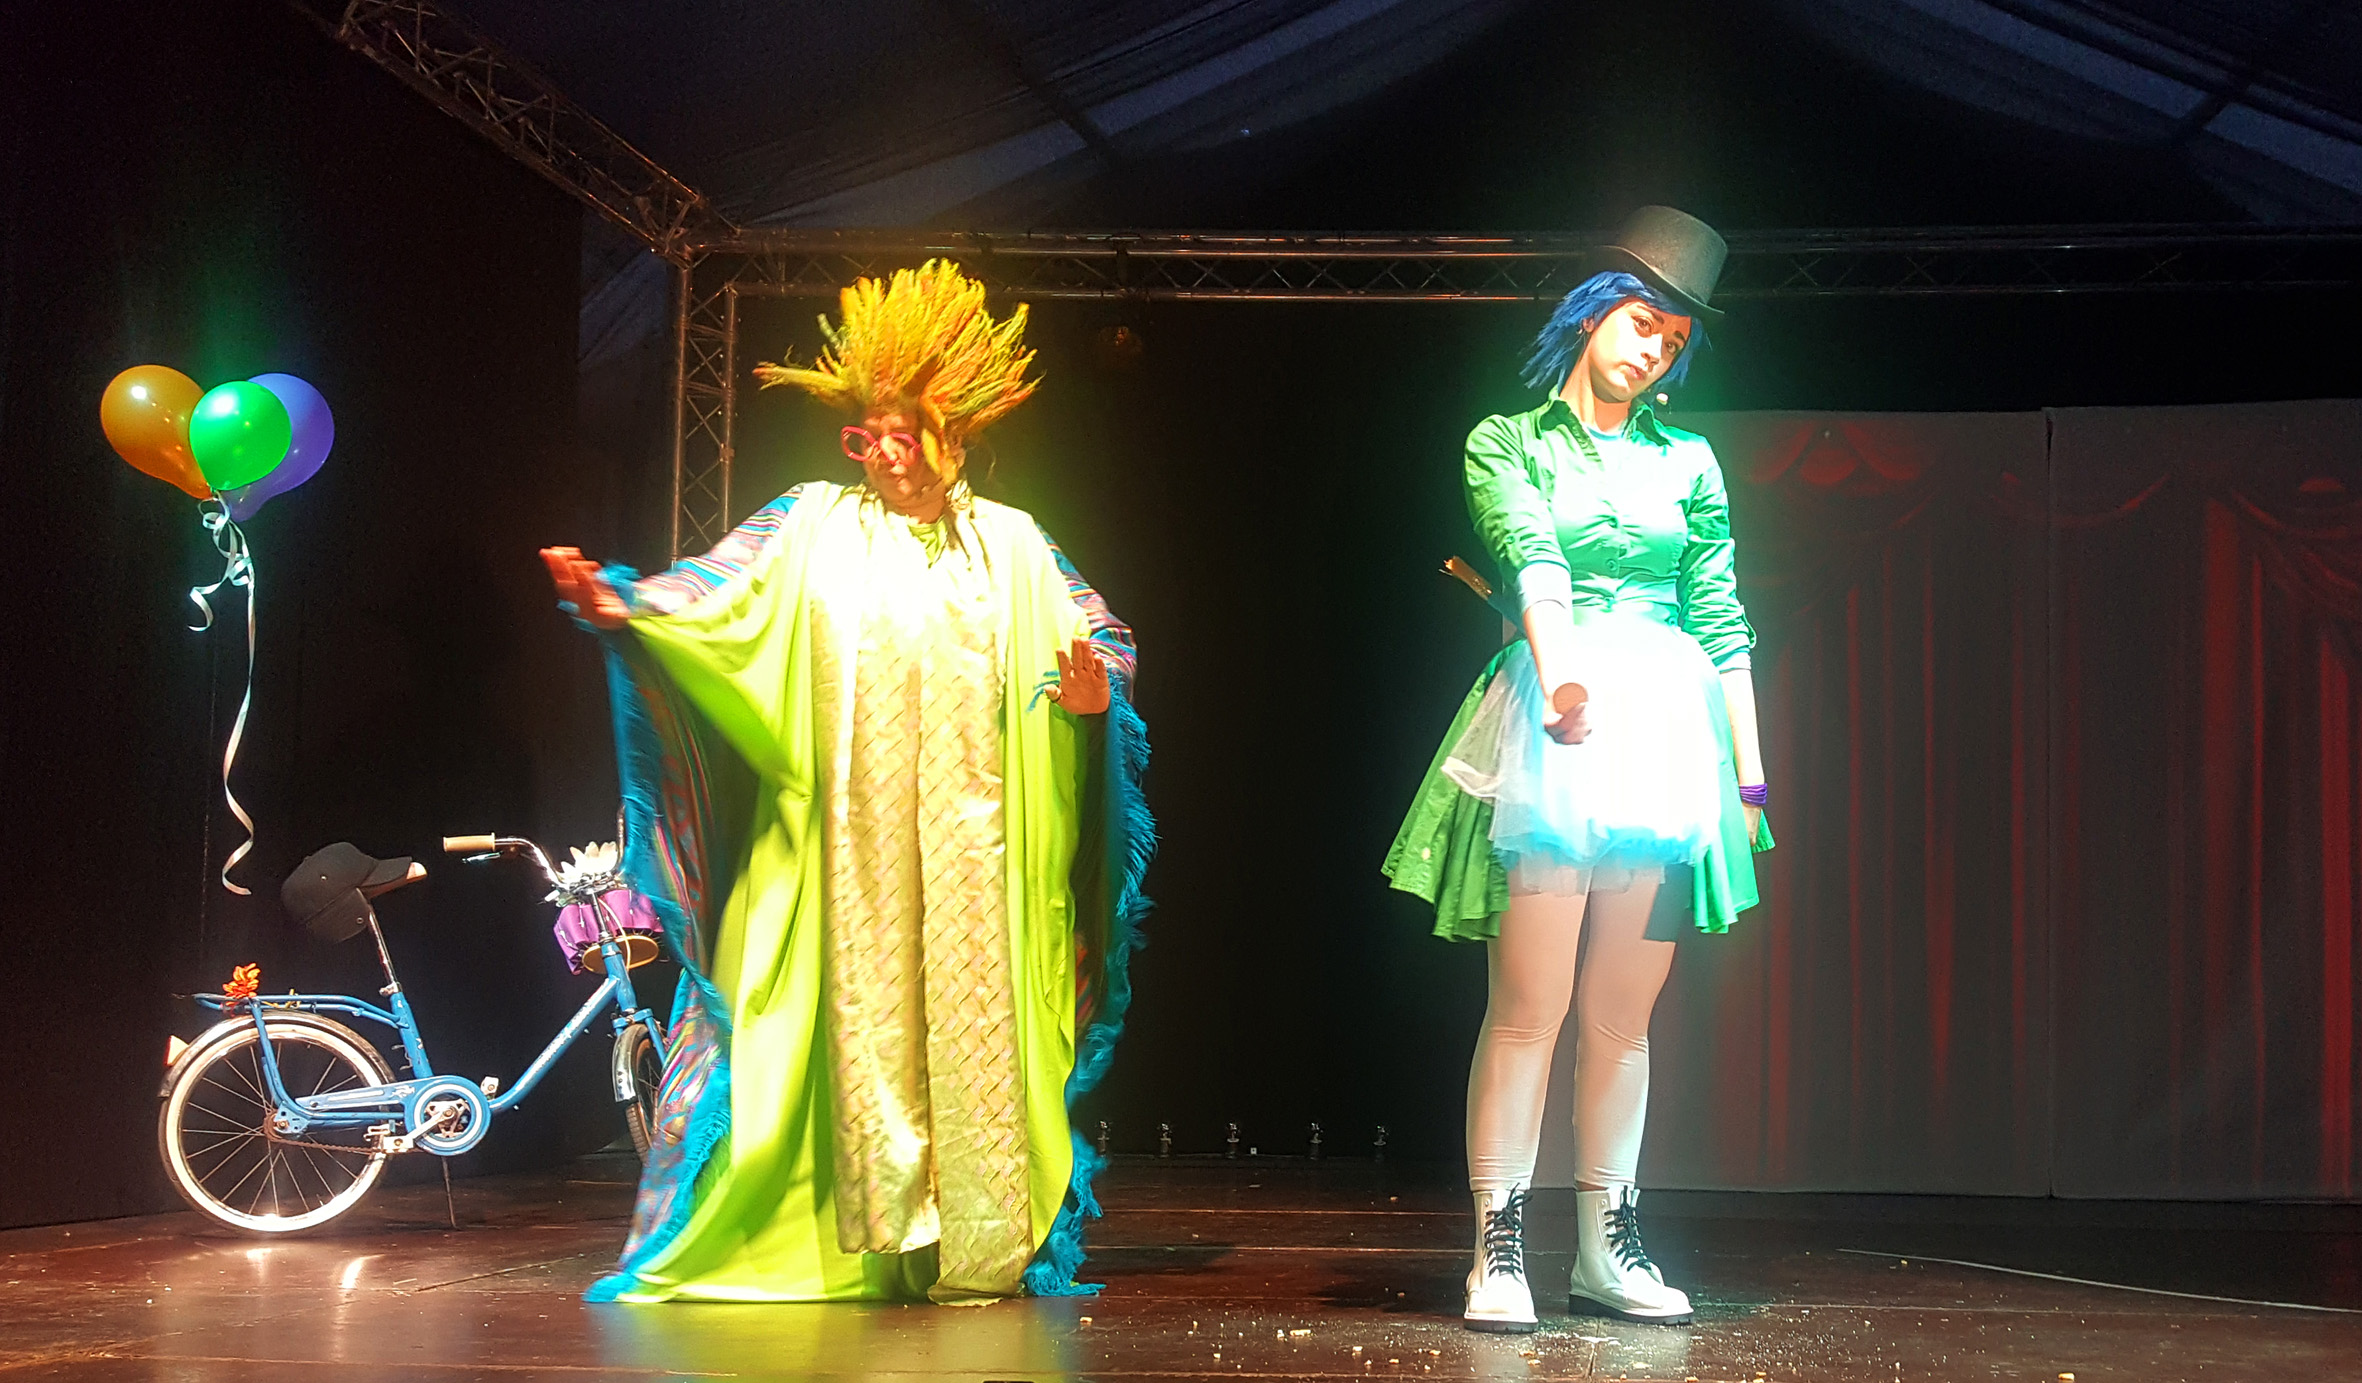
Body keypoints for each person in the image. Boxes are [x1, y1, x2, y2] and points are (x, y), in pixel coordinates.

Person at [544, 260, 1152, 1304]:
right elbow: (716, 598)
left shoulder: (1012, 545)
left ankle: (966, 1239)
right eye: (870, 436)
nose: (887, 455)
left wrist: (1092, 703)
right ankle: (841, 1238)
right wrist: (626, 606)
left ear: (955, 433)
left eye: (907, 434)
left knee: (969, 1040)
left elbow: (1100, 642)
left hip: (977, 866)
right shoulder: (812, 524)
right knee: (816, 1041)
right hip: (843, 860)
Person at [1383, 207, 1771, 1332]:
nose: (1654, 350)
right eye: (1642, 323)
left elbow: (1720, 615)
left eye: (1673, 340)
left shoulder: (1687, 460)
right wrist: (1560, 684)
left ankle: (1608, 1245)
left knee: (1620, 1021)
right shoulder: (1508, 440)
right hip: (1557, 725)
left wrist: (1749, 777)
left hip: (1665, 734)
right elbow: (1531, 558)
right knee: (1528, 1008)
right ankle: (1497, 1245)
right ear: (1594, 310)